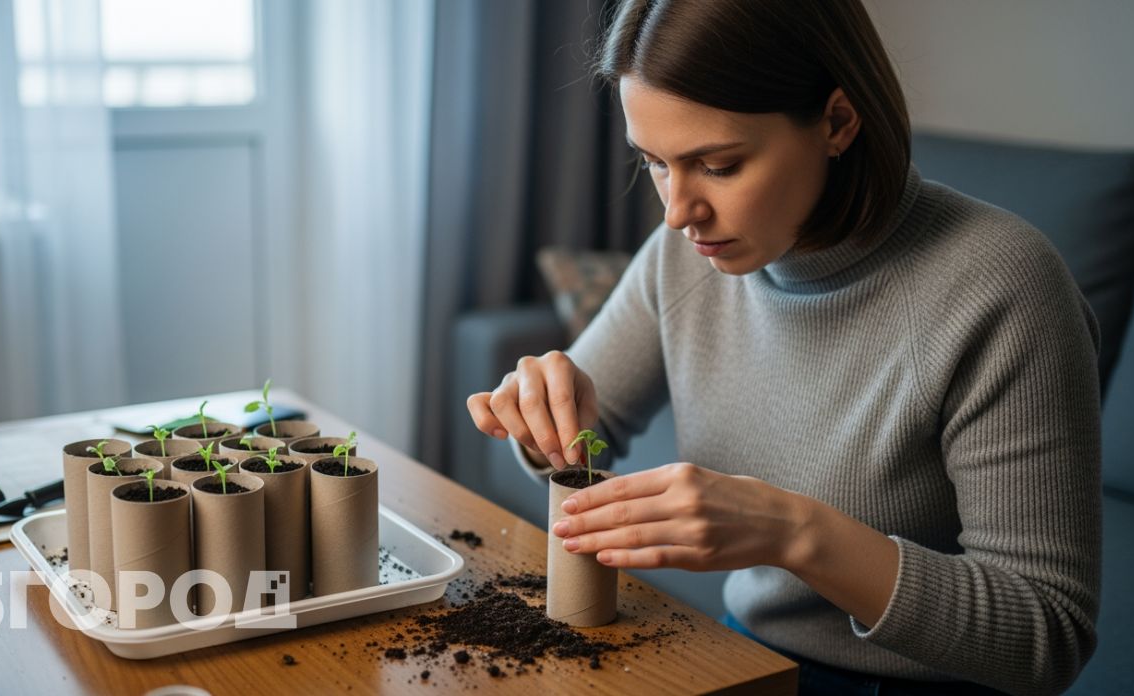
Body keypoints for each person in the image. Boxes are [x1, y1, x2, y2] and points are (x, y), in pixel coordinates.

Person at [465, 1, 1101, 694]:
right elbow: (583, 438)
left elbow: (1047, 634)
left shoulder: (1003, 285)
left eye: (718, 165)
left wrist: (794, 533)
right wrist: (542, 419)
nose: (678, 213)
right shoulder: (684, 259)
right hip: (748, 659)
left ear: (838, 121)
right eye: (654, 163)